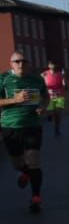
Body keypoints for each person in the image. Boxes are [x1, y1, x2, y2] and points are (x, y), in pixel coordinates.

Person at [2, 51, 48, 212]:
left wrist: (43, 107)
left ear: (29, 63)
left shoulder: (37, 79)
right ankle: (26, 173)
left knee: (33, 160)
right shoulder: (4, 79)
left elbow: (45, 96)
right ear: (11, 64)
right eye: (17, 61)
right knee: (17, 164)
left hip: (32, 125)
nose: (20, 64)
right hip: (10, 126)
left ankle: (36, 198)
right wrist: (15, 100)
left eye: (24, 61)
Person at [41, 60, 67, 138]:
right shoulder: (44, 74)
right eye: (51, 64)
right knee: (52, 112)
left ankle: (57, 129)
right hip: (50, 96)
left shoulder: (60, 74)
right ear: (49, 66)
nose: (53, 66)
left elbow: (64, 85)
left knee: (58, 114)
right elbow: (39, 81)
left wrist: (64, 79)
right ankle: (50, 115)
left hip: (59, 95)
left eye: (54, 64)